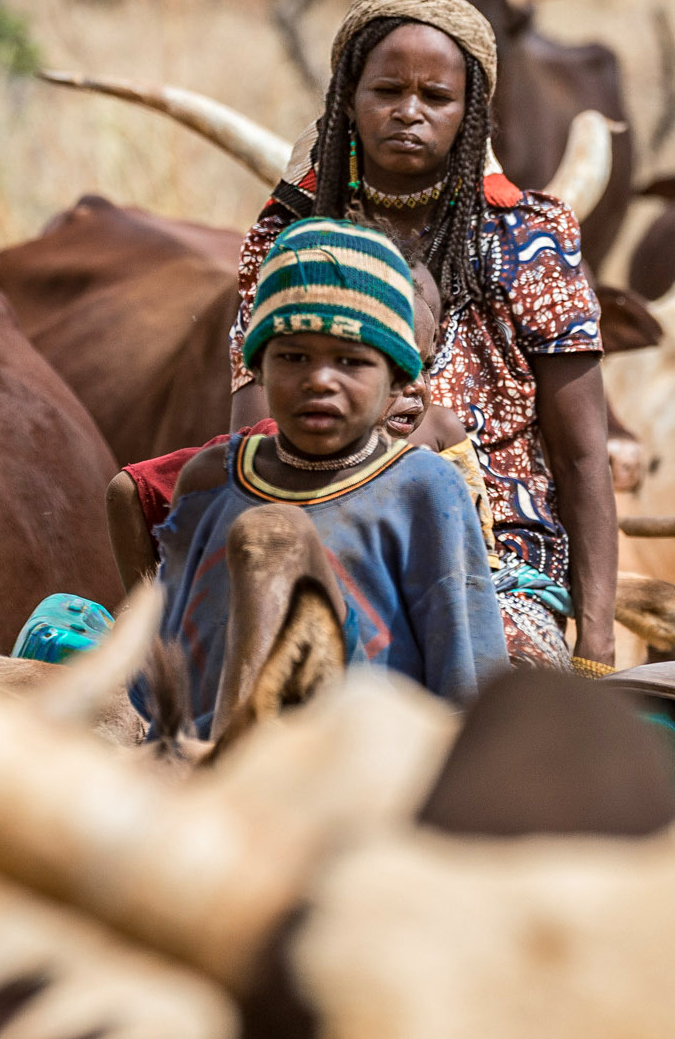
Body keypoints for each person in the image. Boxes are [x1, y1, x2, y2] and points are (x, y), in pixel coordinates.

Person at [230, 0, 616, 673]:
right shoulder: (292, 236)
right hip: (319, 535)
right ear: (349, 98)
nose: (409, 113)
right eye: (387, 91)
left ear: (472, 114)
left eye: (436, 97)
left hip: (502, 562)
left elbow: (584, 453)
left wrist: (598, 640)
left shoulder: (531, 238)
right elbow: (252, 422)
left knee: (506, 695)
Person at [146, 219, 508, 737]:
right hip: (195, 759)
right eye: (293, 356)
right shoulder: (209, 480)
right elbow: (174, 644)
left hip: (356, 762)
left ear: (399, 382)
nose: (319, 379)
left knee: (275, 536)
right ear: (258, 368)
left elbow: (465, 671)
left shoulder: (425, 489)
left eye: (351, 361)